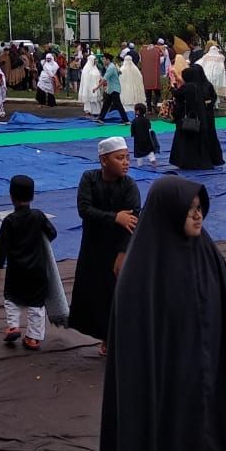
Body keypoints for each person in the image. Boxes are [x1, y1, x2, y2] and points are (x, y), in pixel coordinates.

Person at [100, 176, 226, 451]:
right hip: (167, 381)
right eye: (189, 208)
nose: (197, 214)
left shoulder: (208, 254)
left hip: (207, 369)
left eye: (200, 207)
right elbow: (136, 350)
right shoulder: (142, 272)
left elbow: (225, 318)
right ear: (169, 211)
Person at [68, 138, 140, 355]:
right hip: (93, 248)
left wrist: (122, 253)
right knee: (96, 295)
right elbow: (84, 209)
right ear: (104, 160)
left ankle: (122, 337)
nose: (126, 162)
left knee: (120, 294)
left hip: (119, 249)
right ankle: (107, 338)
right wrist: (114, 217)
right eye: (120, 158)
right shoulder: (89, 179)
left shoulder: (129, 185)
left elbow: (133, 220)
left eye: (127, 157)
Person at [0, 174, 59, 352]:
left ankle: (13, 326)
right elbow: (52, 233)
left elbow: (1, 245)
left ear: (11, 196)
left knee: (12, 298)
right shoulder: (39, 216)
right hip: (37, 269)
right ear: (32, 196)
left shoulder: (9, 221)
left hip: (16, 270)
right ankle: (33, 338)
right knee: (37, 304)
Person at [169, 65, 224, 169]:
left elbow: (178, 95)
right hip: (203, 117)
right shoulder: (203, 85)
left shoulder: (189, 86)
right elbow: (213, 97)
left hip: (188, 119)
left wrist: (173, 86)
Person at [95, 53, 128, 125]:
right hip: (112, 89)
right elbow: (119, 73)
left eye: (104, 59)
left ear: (108, 60)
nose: (103, 61)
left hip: (114, 89)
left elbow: (104, 79)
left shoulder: (111, 68)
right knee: (106, 104)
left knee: (118, 105)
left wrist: (96, 88)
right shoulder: (112, 66)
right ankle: (100, 119)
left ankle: (126, 120)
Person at [79, 51, 103, 118]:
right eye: (94, 60)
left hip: (96, 87)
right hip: (89, 88)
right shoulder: (86, 70)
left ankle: (96, 112)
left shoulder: (95, 68)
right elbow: (85, 81)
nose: (96, 61)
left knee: (96, 101)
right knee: (89, 101)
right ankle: (89, 112)